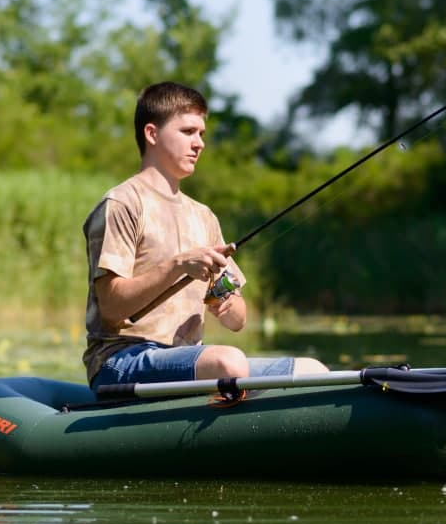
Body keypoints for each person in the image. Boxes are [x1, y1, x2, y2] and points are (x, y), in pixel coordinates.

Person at [83, 81, 328, 388]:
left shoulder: (204, 216)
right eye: (187, 132)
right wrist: (177, 265)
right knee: (228, 362)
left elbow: (238, 320)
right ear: (152, 134)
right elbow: (111, 307)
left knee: (312, 369)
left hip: (191, 360)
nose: (199, 143)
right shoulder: (122, 204)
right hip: (121, 361)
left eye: (201, 133)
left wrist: (227, 306)